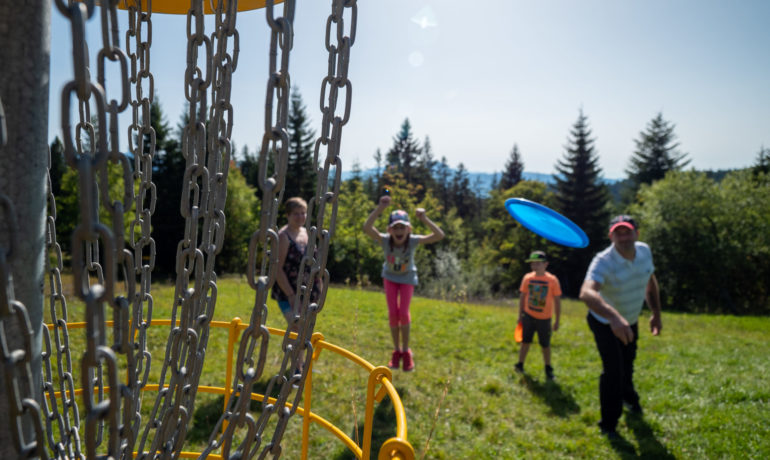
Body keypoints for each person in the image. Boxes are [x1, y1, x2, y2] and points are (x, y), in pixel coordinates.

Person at [579, 215, 662, 438]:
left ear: (636, 233)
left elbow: (650, 281)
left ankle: (629, 398)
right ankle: (608, 424)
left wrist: (656, 313)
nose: (623, 237)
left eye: (628, 232)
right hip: (605, 321)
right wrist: (614, 318)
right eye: (618, 232)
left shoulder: (644, 251)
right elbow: (586, 293)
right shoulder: (603, 261)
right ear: (611, 236)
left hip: (631, 320)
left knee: (627, 363)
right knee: (613, 371)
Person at [363, 194, 444, 372]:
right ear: (390, 230)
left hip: (407, 279)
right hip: (390, 278)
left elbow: (439, 235)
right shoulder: (385, 240)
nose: (399, 231)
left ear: (408, 229)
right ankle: (396, 351)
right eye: (396, 227)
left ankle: (406, 352)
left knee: (403, 313)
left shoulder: (413, 241)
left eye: (402, 227)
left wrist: (424, 218)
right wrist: (380, 208)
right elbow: (367, 227)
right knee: (393, 313)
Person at [272, 197, 322, 377]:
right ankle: (295, 369)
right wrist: (291, 295)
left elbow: (314, 263)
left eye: (303, 213)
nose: (300, 217)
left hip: (308, 291)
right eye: (296, 213)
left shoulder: (306, 233)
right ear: (287, 215)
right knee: (296, 328)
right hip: (287, 293)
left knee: (305, 329)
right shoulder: (283, 237)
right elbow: (277, 269)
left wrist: (320, 285)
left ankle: (301, 365)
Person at [514, 250, 562, 380]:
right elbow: (522, 297)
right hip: (528, 316)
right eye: (532, 264)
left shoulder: (552, 280)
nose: (534, 266)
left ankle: (548, 369)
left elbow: (557, 301)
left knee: (545, 345)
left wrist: (557, 320)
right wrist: (520, 316)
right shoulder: (527, 278)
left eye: (538, 264)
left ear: (546, 264)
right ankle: (520, 364)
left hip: (545, 319)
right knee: (525, 342)